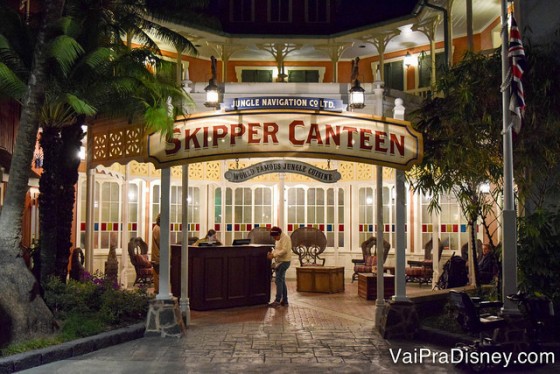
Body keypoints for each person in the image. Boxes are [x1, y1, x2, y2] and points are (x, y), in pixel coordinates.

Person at [267, 226, 292, 307]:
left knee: (278, 281)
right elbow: (277, 249)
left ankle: (277, 301)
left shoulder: (285, 238)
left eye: (275, 236)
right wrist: (272, 253)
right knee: (281, 281)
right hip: (280, 262)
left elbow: (284, 251)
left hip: (284, 262)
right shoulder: (278, 239)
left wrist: (274, 255)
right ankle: (285, 301)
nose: (275, 239)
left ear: (279, 234)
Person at [151, 214, 161, 293]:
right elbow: (161, 243)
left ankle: (158, 290)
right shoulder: (158, 229)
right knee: (158, 276)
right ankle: (158, 291)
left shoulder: (156, 228)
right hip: (158, 256)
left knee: (157, 275)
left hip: (157, 255)